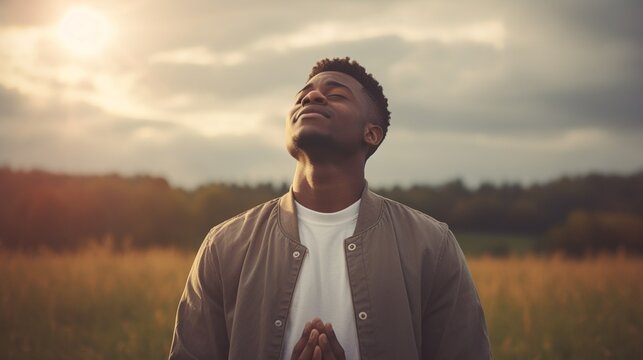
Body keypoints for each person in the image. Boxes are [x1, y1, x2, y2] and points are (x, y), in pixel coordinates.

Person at [169, 57, 491, 360]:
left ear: (372, 133)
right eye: (303, 96)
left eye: (335, 95)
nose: (312, 99)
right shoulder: (224, 246)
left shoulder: (431, 247)